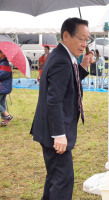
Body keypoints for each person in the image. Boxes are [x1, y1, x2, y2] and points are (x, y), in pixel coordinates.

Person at [30, 17, 95, 200]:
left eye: (87, 39)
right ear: (66, 35)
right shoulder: (61, 60)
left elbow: (68, 84)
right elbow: (54, 100)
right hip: (54, 131)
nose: (84, 44)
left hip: (50, 128)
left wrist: (82, 66)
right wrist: (58, 134)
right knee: (63, 179)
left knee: (55, 177)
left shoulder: (64, 55)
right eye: (81, 38)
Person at [0, 50, 13, 127]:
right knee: (2, 103)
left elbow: (3, 74)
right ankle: (5, 119)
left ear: (2, 54)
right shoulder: (2, 62)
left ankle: (7, 116)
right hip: (3, 87)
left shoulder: (4, 63)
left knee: (1, 103)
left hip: (2, 87)